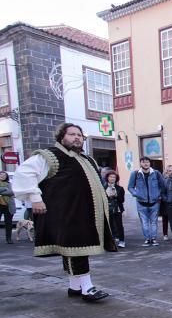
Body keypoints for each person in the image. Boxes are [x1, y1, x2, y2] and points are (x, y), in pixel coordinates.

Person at [13, 123, 116, 301]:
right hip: (66, 213)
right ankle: (87, 288)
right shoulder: (50, 155)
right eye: (72, 134)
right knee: (76, 248)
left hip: (84, 213)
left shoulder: (87, 158)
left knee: (76, 247)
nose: (77, 137)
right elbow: (25, 173)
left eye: (79, 135)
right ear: (61, 137)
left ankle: (75, 286)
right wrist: (35, 197)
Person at [128, 156, 165, 246]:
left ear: (150, 163)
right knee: (144, 222)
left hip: (154, 202)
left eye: (147, 162)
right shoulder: (135, 173)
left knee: (153, 221)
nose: (146, 163)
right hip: (141, 203)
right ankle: (147, 239)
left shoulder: (156, 173)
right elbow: (130, 187)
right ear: (140, 163)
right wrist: (136, 194)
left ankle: (154, 238)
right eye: (144, 162)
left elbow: (163, 185)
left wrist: (158, 194)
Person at [105, 171, 126, 248]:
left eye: (114, 177)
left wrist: (116, 195)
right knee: (109, 225)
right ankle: (111, 241)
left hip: (117, 209)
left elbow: (122, 200)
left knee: (119, 225)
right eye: (110, 177)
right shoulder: (103, 187)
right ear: (107, 178)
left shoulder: (120, 188)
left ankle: (122, 240)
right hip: (107, 209)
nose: (112, 178)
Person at [0, 171, 16, 244]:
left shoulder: (9, 184)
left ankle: (9, 238)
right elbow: (8, 192)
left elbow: (12, 192)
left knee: (8, 223)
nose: (2, 176)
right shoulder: (7, 186)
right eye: (1, 175)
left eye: (4, 175)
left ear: (6, 177)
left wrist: (2, 191)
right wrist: (5, 189)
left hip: (8, 205)